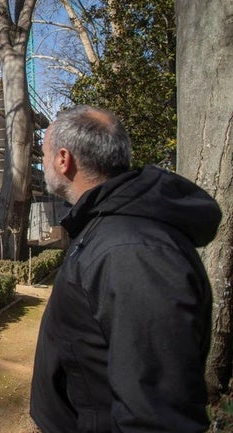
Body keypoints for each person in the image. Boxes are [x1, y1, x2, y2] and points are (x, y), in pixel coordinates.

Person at [30, 105, 222, 433]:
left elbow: (157, 416)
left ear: (64, 160)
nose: (41, 162)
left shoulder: (133, 251)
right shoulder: (106, 227)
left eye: (44, 154)